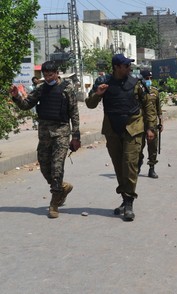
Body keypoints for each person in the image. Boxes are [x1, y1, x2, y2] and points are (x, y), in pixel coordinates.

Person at [86, 54, 155, 221]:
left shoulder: (136, 83)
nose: (129, 68)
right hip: (113, 130)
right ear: (117, 67)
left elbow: (148, 105)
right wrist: (98, 93)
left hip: (133, 128)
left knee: (130, 164)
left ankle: (129, 202)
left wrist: (150, 127)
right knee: (119, 166)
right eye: (126, 66)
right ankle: (125, 199)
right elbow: (90, 104)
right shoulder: (103, 83)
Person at [9, 61, 81, 218]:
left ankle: (54, 204)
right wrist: (16, 97)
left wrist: (76, 135)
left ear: (56, 73)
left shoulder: (67, 88)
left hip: (61, 132)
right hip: (44, 134)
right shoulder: (41, 89)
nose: (48, 78)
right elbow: (27, 105)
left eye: (50, 75)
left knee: (57, 168)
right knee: (44, 166)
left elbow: (74, 113)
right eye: (45, 75)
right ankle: (62, 188)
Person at [139, 70, 163, 178]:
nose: (149, 80)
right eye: (146, 78)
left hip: (153, 124)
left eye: (150, 78)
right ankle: (138, 164)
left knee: (153, 148)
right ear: (142, 78)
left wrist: (161, 122)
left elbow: (159, 109)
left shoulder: (155, 91)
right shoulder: (138, 91)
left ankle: (151, 168)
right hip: (140, 125)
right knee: (138, 147)